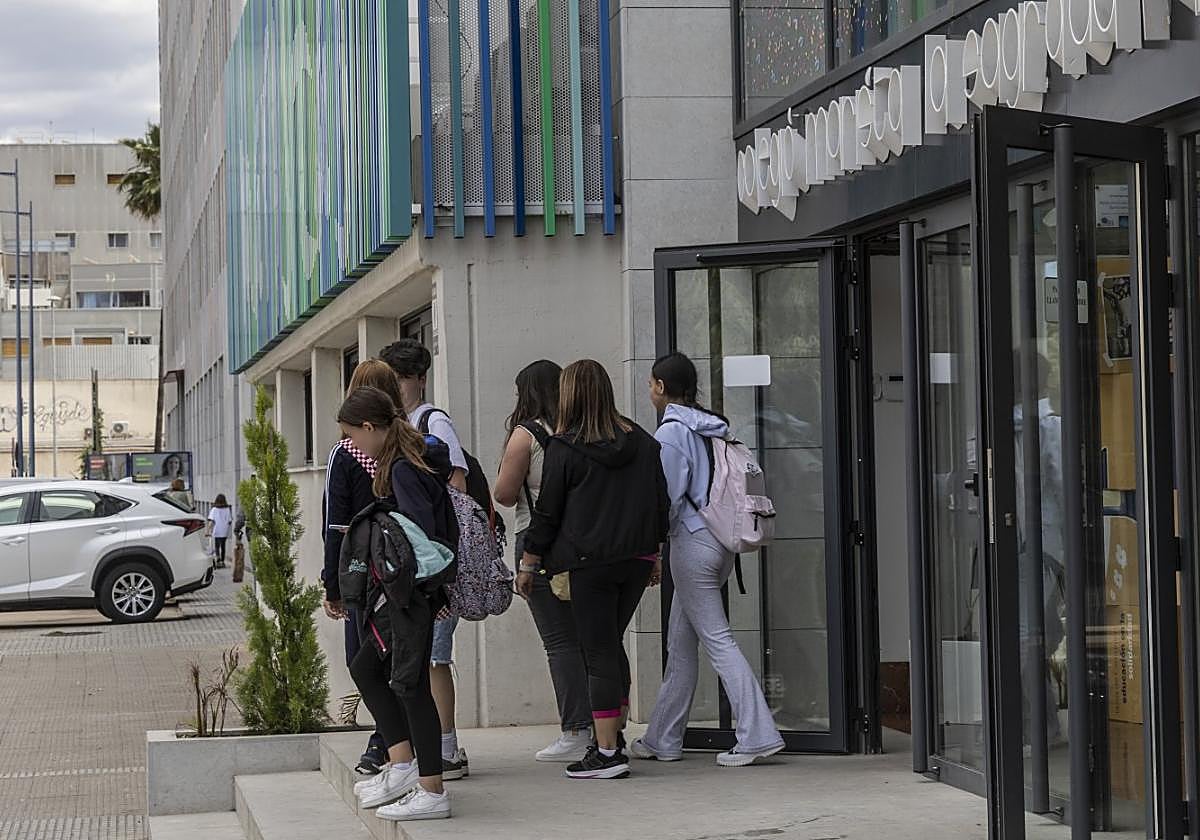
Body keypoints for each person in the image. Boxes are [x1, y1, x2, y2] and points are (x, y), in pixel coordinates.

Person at [632, 352, 786, 767]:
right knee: (680, 643)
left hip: (692, 542)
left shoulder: (671, 433)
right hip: (718, 544)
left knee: (717, 640)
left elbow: (665, 496)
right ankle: (663, 738)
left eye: (650, 384)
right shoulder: (711, 427)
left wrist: (650, 546)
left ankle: (756, 734)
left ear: (661, 387)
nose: (649, 392)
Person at [519, 359, 670, 780]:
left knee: (597, 651)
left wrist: (529, 561)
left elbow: (547, 514)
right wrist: (655, 554)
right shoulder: (642, 441)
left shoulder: (564, 449)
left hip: (589, 563)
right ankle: (613, 736)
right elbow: (661, 503)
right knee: (610, 644)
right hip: (636, 560)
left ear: (569, 395)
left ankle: (606, 753)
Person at [337, 385, 457, 821]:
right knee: (368, 669)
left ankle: (431, 788)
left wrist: (421, 590)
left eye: (353, 436)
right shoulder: (407, 461)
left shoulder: (404, 469)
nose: (353, 445)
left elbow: (419, 539)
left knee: (409, 685)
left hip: (406, 594)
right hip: (408, 593)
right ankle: (404, 764)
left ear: (371, 427)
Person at [493, 360, 592, 762]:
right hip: (583, 543)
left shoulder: (527, 434)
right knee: (594, 637)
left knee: (559, 641)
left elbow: (503, 492)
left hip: (536, 540)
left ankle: (576, 729)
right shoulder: (582, 430)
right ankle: (608, 721)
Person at [379, 338, 469, 780]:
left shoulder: (433, 421)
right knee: (419, 656)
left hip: (433, 561)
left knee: (435, 655)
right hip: (413, 563)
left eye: (400, 379)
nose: (395, 388)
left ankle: (447, 745)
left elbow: (457, 487)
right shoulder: (397, 424)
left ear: (419, 379)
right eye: (389, 379)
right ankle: (431, 746)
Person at [321, 359, 406, 776]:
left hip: (365, 576)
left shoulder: (346, 454)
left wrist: (332, 584)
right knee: (404, 664)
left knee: (364, 662)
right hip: (408, 574)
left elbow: (334, 524)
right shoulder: (415, 446)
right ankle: (407, 746)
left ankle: (386, 744)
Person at [207, 494, 233, 568]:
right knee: (223, 546)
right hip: (224, 530)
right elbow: (229, 521)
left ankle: (218, 559)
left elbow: (211, 521)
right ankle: (222, 561)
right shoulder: (227, 509)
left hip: (217, 530)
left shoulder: (214, 509)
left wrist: (208, 530)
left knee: (217, 546)